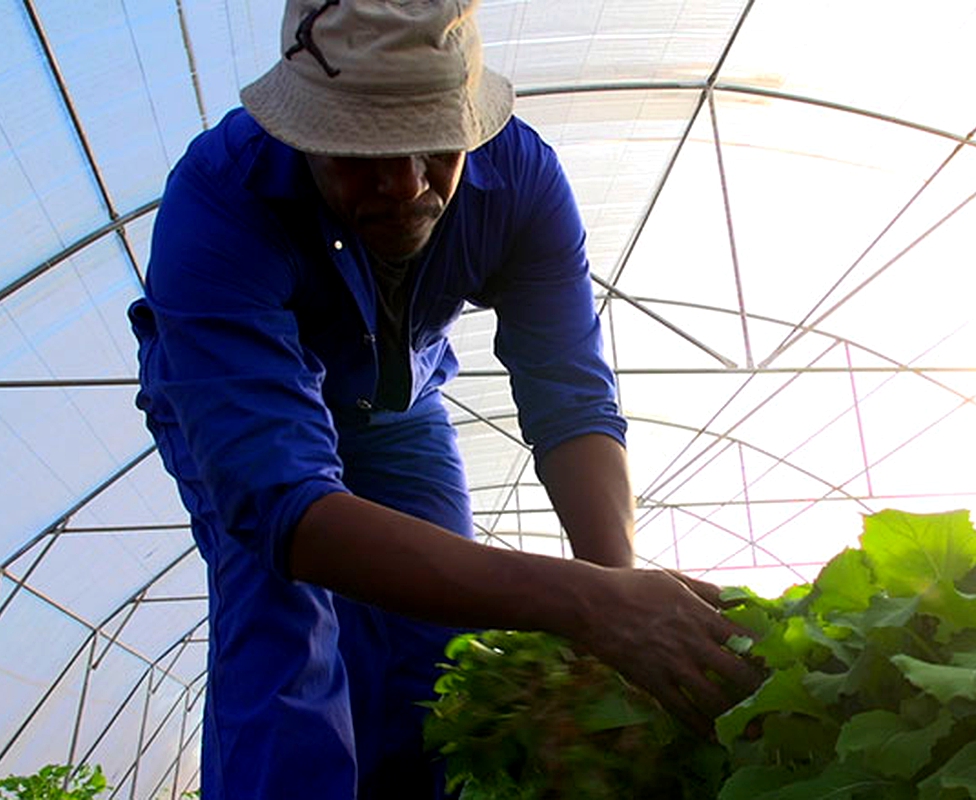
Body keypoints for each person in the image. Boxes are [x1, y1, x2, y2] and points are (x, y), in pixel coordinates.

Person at [128, 1, 760, 797]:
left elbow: (568, 397)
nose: (406, 184)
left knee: (440, 654)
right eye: (363, 153)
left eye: (434, 144)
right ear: (304, 133)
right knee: (287, 626)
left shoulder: (521, 180)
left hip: (396, 402)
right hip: (245, 407)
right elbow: (283, 502)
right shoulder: (222, 199)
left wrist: (618, 594)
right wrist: (585, 605)